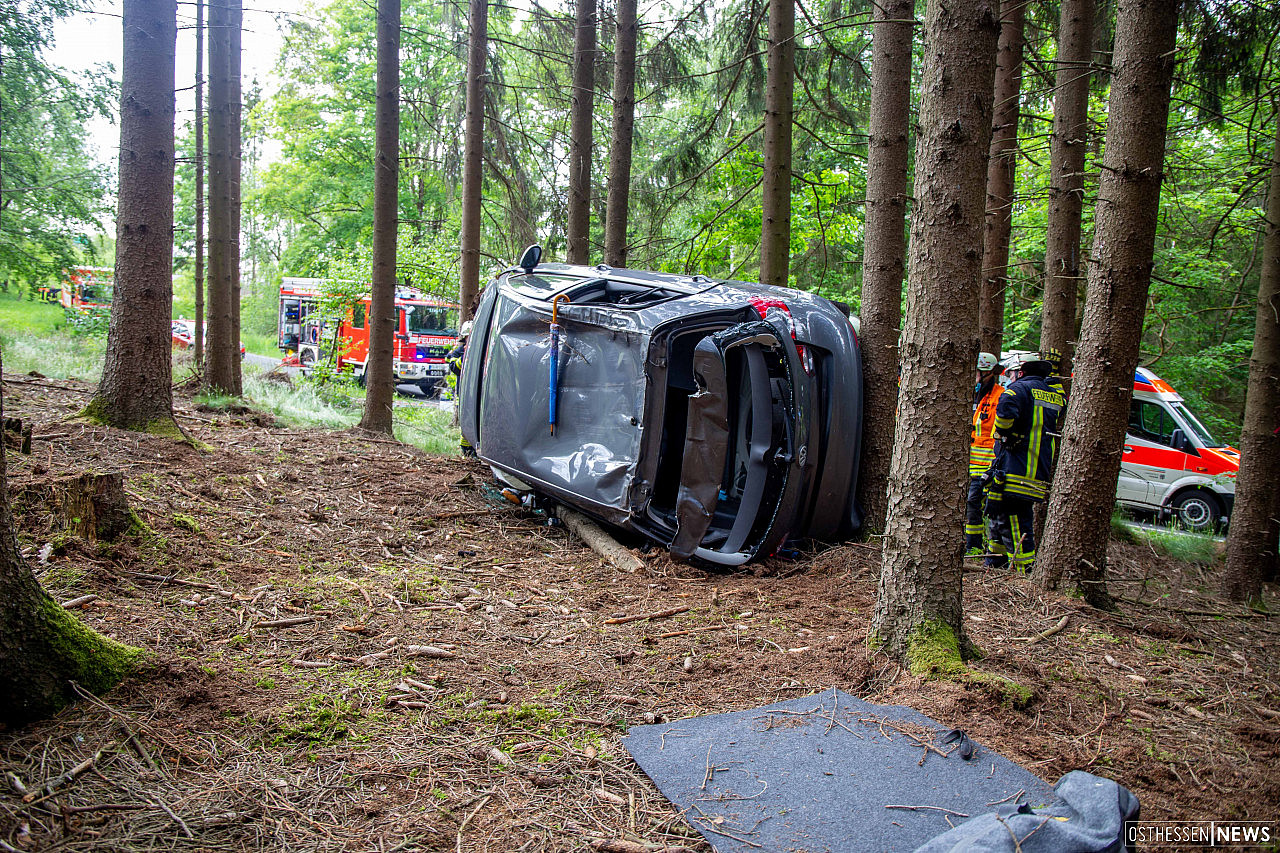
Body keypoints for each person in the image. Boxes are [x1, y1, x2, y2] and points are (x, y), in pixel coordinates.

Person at [984, 351, 1065, 574]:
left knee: (1014, 519)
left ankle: (1023, 569)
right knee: (1000, 518)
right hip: (1037, 469)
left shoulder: (1018, 389)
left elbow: (1004, 413)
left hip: (1015, 468)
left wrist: (1005, 434)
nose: (1010, 377)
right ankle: (994, 563)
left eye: (1012, 373)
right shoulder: (1054, 394)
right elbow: (1062, 401)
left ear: (1021, 372)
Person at [966, 352, 1003, 554]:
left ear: (988, 373)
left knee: (977, 502)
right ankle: (972, 544)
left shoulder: (1000, 396)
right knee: (970, 505)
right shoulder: (970, 393)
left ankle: (975, 546)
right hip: (968, 462)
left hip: (987, 463)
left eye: (978, 373)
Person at [448, 321, 477, 457]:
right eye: (468, 336)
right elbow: (454, 368)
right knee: (466, 419)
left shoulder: (482, 348)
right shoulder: (458, 352)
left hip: (478, 391)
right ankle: (467, 450)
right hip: (465, 391)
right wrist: (466, 355)